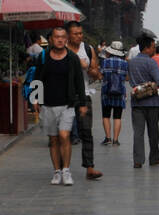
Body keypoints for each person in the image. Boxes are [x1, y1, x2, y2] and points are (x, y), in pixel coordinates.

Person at [32, 25, 87, 185]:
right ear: (51, 39)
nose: (60, 39)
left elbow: (79, 82)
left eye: (63, 37)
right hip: (48, 104)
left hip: (67, 104)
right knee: (54, 139)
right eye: (57, 37)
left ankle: (66, 170)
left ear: (66, 39)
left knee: (64, 136)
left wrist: (82, 103)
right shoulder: (43, 57)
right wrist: (35, 100)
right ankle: (57, 171)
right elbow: (37, 79)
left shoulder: (72, 58)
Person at [66, 21, 102, 180]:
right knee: (63, 134)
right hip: (64, 97)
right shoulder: (60, 50)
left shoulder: (88, 49)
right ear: (68, 35)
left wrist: (88, 68)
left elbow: (96, 73)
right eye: (75, 34)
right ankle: (62, 168)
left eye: (80, 33)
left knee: (86, 132)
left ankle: (90, 167)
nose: (79, 36)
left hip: (84, 96)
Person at [128, 35, 159, 168]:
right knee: (153, 131)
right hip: (152, 102)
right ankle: (154, 158)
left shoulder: (132, 62)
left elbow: (130, 79)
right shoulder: (151, 62)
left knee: (138, 132)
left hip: (137, 101)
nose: (154, 49)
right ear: (147, 48)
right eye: (153, 47)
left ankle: (138, 160)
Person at [100, 40, 129, 147]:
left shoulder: (105, 61)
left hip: (106, 91)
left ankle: (108, 138)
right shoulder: (125, 63)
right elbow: (127, 77)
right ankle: (116, 140)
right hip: (120, 91)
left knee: (106, 115)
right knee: (117, 117)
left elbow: (101, 75)